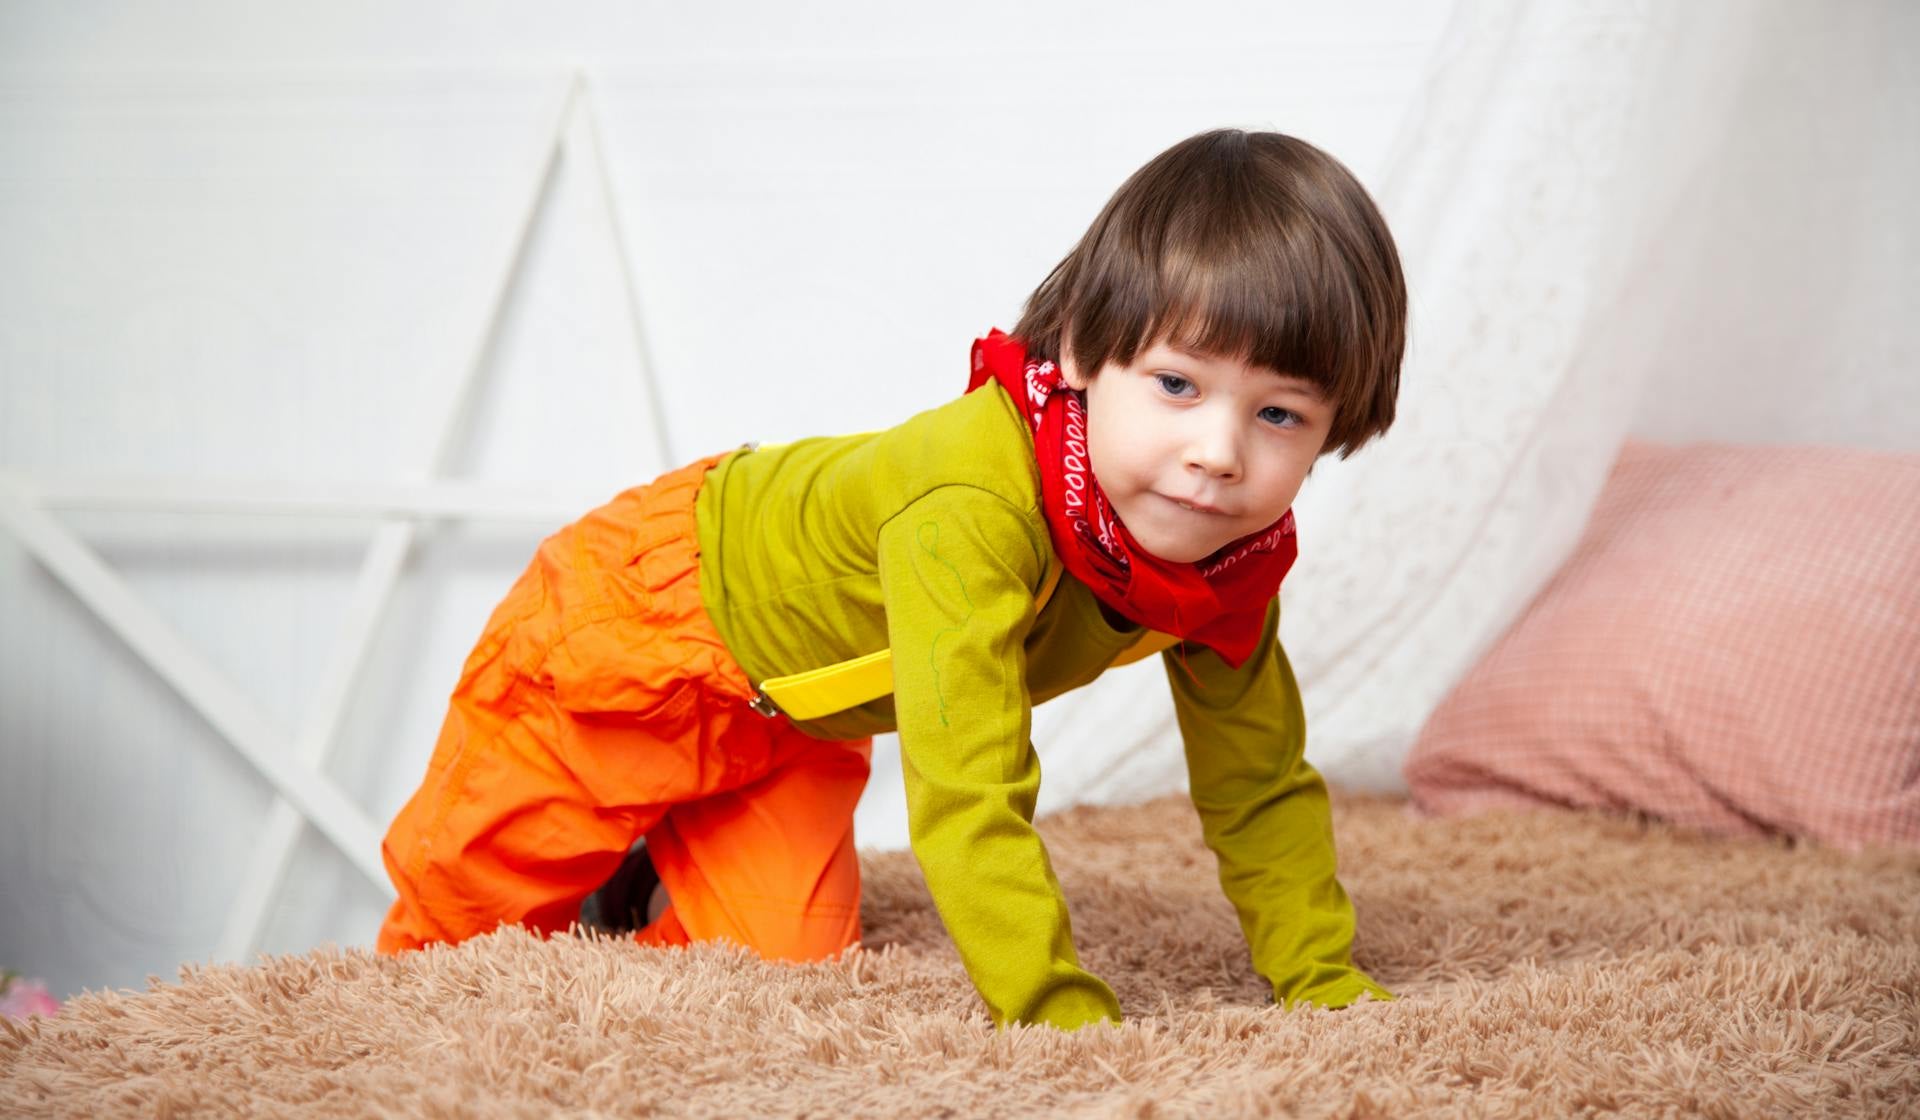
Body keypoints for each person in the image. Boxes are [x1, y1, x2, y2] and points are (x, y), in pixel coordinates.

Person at [376, 127, 1407, 1030]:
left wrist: (1318, 975)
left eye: (1280, 414)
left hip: (795, 719)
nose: (1218, 453)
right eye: (1177, 384)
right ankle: (601, 854)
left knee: (779, 962)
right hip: (642, 618)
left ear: (1334, 427)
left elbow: (1257, 780)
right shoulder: (974, 502)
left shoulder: (1223, 559)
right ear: (1084, 353)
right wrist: (1053, 1008)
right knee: (458, 937)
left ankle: (644, 873)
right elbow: (970, 788)